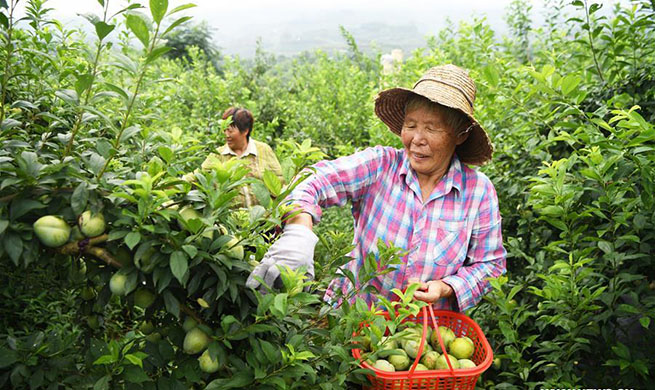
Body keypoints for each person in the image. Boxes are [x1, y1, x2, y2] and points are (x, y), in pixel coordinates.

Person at [246, 65, 506, 312]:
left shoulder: (478, 192)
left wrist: (446, 287)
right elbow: (313, 180)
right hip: (352, 323)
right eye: (411, 125)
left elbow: (491, 265)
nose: (417, 139)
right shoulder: (381, 166)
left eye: (432, 128)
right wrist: (298, 233)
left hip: (423, 335)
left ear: (460, 134)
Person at [184, 107, 284, 208]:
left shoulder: (264, 150)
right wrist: (175, 184)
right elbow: (197, 177)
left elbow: (280, 182)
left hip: (264, 219)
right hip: (230, 221)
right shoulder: (218, 155)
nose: (226, 135)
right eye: (225, 130)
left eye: (230, 131)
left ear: (245, 131)